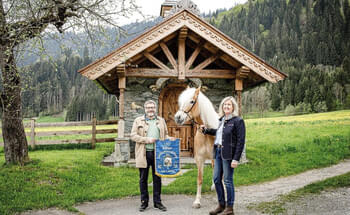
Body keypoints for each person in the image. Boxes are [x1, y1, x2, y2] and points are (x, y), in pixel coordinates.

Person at [201, 96, 246, 215]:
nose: (226, 106)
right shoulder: (221, 120)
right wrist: (206, 130)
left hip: (229, 155)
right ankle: (221, 205)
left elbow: (241, 141)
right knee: (216, 179)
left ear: (233, 107)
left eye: (229, 105)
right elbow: (218, 132)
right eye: (225, 105)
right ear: (222, 107)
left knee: (227, 180)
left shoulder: (238, 121)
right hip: (218, 153)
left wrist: (236, 158)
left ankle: (230, 208)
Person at [130, 100, 174, 212]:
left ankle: (157, 202)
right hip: (144, 153)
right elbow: (133, 136)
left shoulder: (161, 120)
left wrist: (170, 139)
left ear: (155, 109)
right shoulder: (138, 120)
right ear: (145, 109)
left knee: (157, 178)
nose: (151, 109)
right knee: (143, 179)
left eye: (152, 107)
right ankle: (144, 202)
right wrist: (147, 140)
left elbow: (165, 135)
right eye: (148, 107)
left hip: (158, 153)